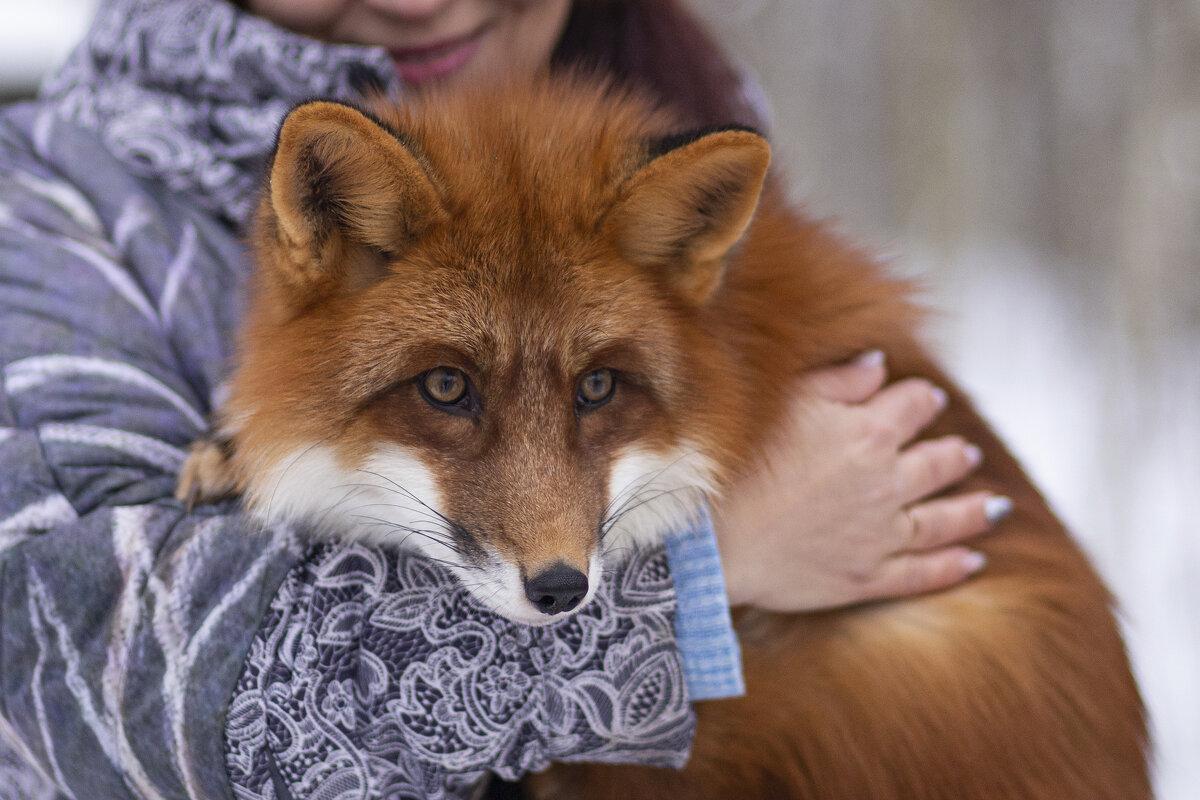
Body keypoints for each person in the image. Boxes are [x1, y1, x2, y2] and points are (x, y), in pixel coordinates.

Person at [0, 0, 1010, 797]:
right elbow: (79, 653)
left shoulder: (672, 143)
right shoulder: (47, 207)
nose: (421, 1)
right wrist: (699, 574)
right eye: (447, 387)